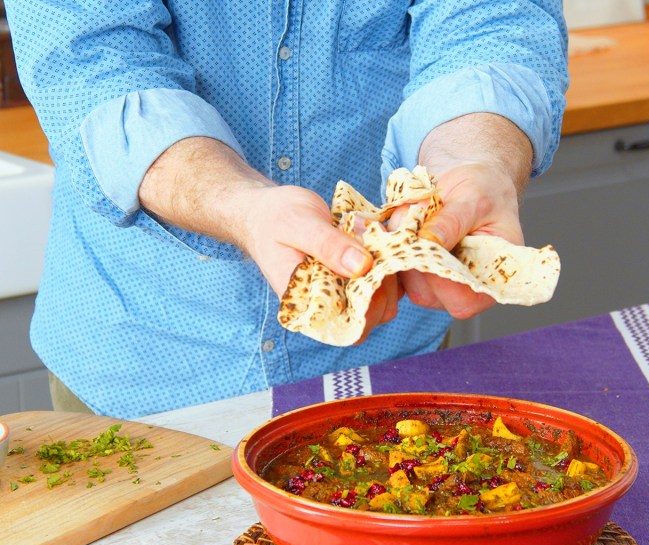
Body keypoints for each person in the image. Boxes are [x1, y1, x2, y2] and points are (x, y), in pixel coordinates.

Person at [6, 1, 569, 419]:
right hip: (141, 364)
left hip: (392, 360)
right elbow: (92, 63)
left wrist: (474, 159)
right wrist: (239, 207)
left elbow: (489, 22)